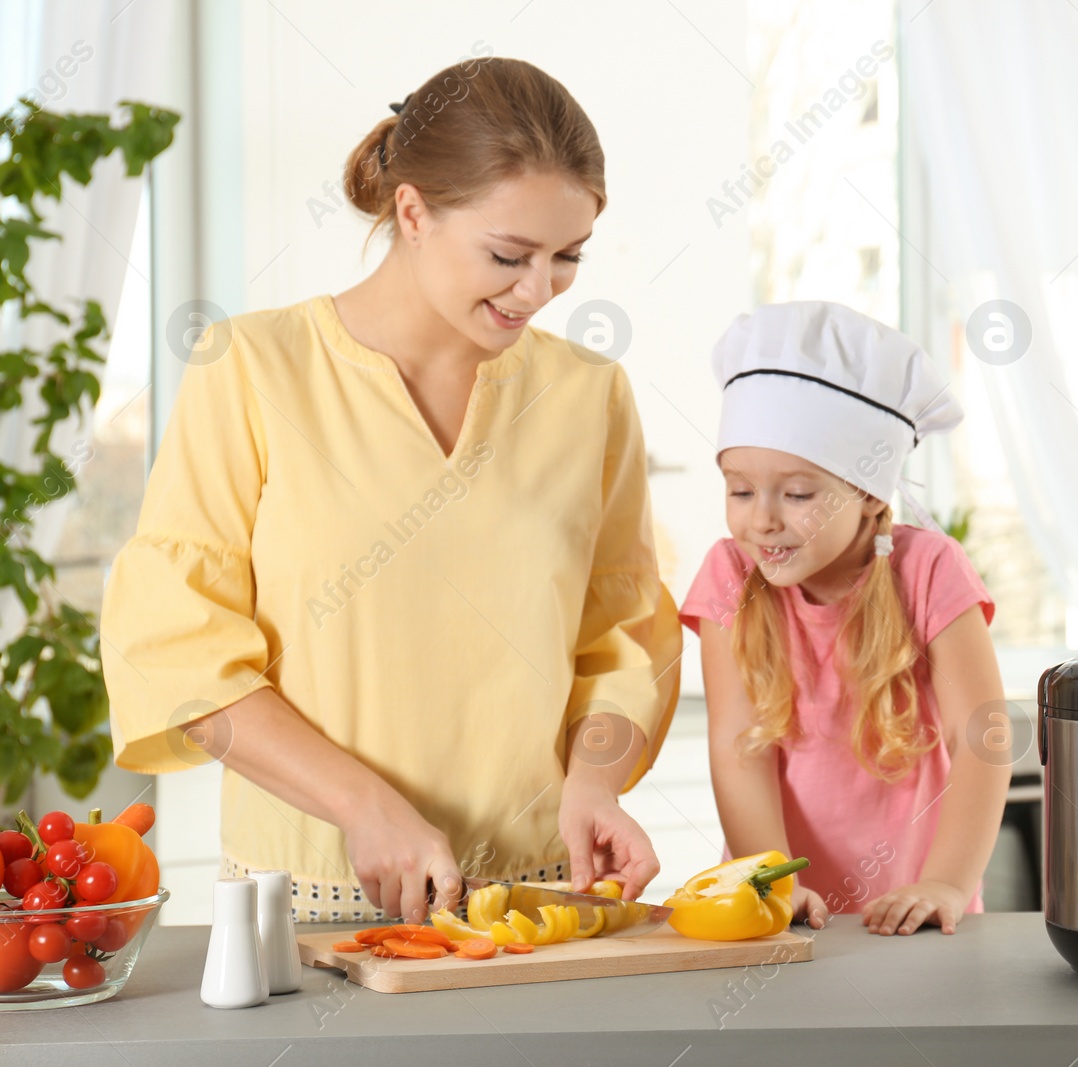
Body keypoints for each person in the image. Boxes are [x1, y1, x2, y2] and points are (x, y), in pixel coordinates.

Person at [100, 57, 680, 924]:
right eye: (509, 254)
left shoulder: (589, 395)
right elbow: (178, 654)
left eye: (568, 258)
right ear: (412, 211)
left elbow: (622, 638)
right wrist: (362, 805)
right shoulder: (253, 371)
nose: (538, 291)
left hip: (540, 905)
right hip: (306, 904)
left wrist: (597, 779)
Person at [678, 301, 1011, 936]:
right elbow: (737, 746)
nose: (763, 519)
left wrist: (946, 882)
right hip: (775, 903)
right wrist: (770, 879)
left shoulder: (930, 569)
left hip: (917, 907)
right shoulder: (730, 576)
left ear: (870, 494)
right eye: (740, 490)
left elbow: (985, 739)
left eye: (798, 494)